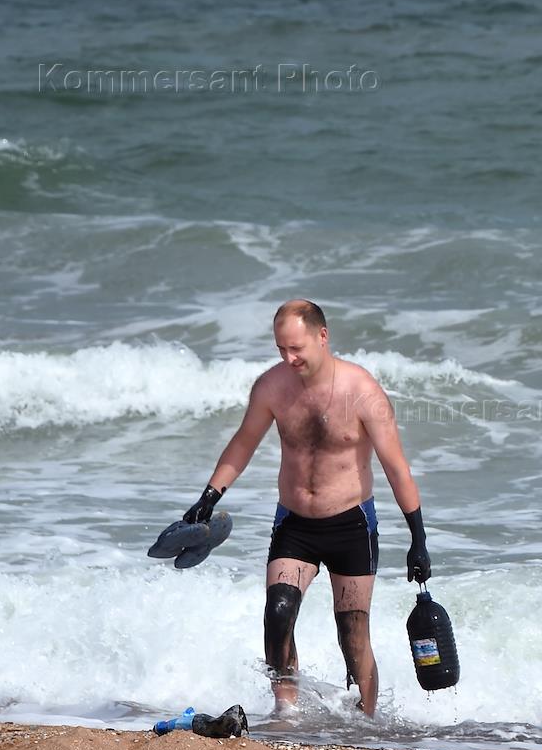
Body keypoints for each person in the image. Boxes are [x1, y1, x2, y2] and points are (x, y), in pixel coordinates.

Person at [179, 299, 432, 717]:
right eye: (281, 349)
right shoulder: (271, 387)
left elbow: (396, 467)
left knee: (352, 634)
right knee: (277, 613)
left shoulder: (362, 391)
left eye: (296, 348)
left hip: (351, 525)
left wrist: (417, 539)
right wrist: (209, 497)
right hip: (295, 524)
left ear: (322, 336)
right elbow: (243, 443)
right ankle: (287, 713)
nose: (288, 358)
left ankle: (367, 721)